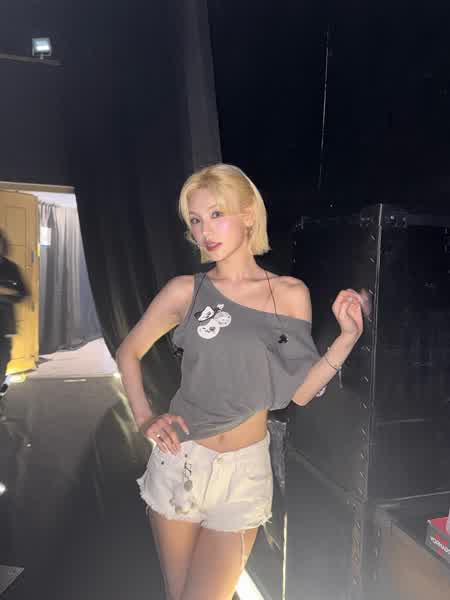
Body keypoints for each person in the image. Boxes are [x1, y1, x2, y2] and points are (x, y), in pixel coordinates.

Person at [116, 164, 365, 600]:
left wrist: (347, 338)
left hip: (245, 472)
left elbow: (302, 391)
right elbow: (129, 351)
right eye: (196, 220)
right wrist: (144, 419)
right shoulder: (185, 291)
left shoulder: (289, 293)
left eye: (217, 214)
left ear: (248, 215)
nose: (204, 231)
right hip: (182, 460)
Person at [0, 229, 30, 386]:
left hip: (4, 325)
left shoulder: (12, 268)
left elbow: (23, 294)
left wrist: (5, 291)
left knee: (3, 360)